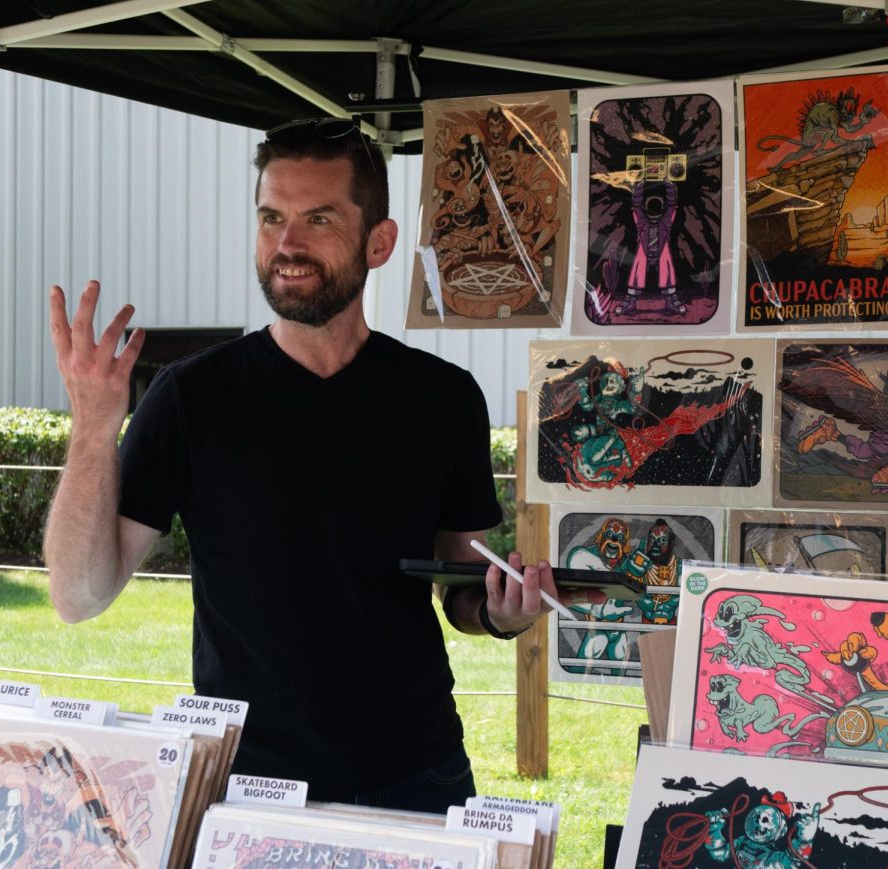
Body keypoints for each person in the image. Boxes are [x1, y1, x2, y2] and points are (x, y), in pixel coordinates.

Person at [43, 117, 572, 813]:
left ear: (378, 242)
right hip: (247, 784)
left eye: (318, 218)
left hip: (415, 775)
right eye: (271, 218)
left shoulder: (443, 398)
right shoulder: (191, 397)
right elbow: (79, 595)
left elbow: (463, 591)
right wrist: (93, 426)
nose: (286, 244)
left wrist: (503, 612)